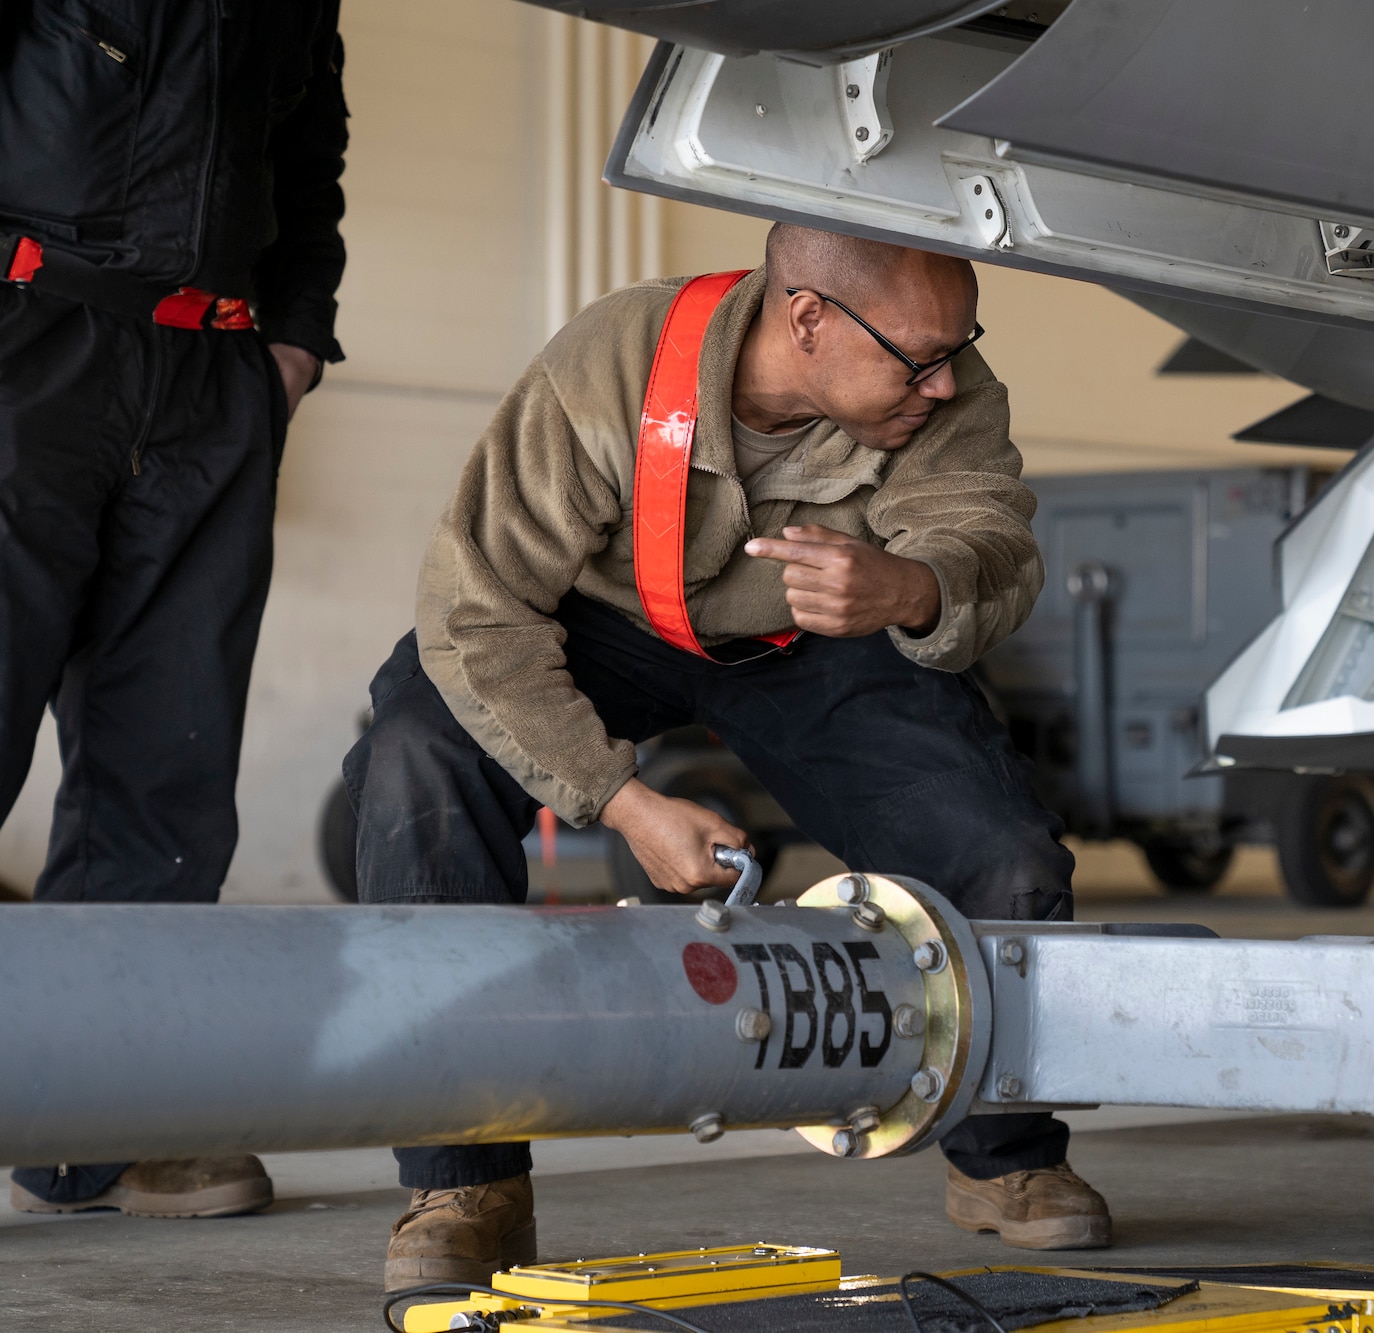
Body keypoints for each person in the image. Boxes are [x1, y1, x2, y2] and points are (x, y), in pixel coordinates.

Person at [343, 223, 1110, 1289]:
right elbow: (480, 611)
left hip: (812, 637)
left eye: (954, 349)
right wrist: (617, 799)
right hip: (597, 621)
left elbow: (986, 535)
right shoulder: (609, 366)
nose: (941, 382)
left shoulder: (946, 385)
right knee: (414, 760)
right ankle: (462, 1179)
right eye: (916, 358)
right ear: (806, 319)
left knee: (1000, 851)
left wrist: (913, 588)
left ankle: (1004, 1158)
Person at [0, 3, 347, 1219]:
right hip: (30, 339)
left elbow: (311, 151)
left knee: (170, 764)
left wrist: (297, 336)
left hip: (212, 376)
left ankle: (108, 1118)